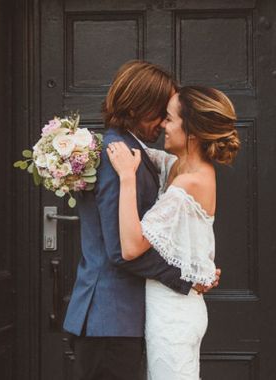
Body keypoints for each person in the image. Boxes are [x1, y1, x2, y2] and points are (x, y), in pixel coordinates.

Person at [63, 61, 218, 380]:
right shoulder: (119, 157)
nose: (163, 124)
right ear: (139, 108)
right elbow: (121, 249)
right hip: (110, 317)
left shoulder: (134, 151)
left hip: (115, 319)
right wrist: (184, 278)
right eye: (161, 112)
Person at [106, 85, 240, 380]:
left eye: (169, 118)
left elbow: (130, 247)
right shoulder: (180, 166)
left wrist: (128, 178)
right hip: (172, 309)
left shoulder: (189, 183)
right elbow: (144, 152)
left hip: (173, 317)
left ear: (191, 130)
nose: (163, 125)